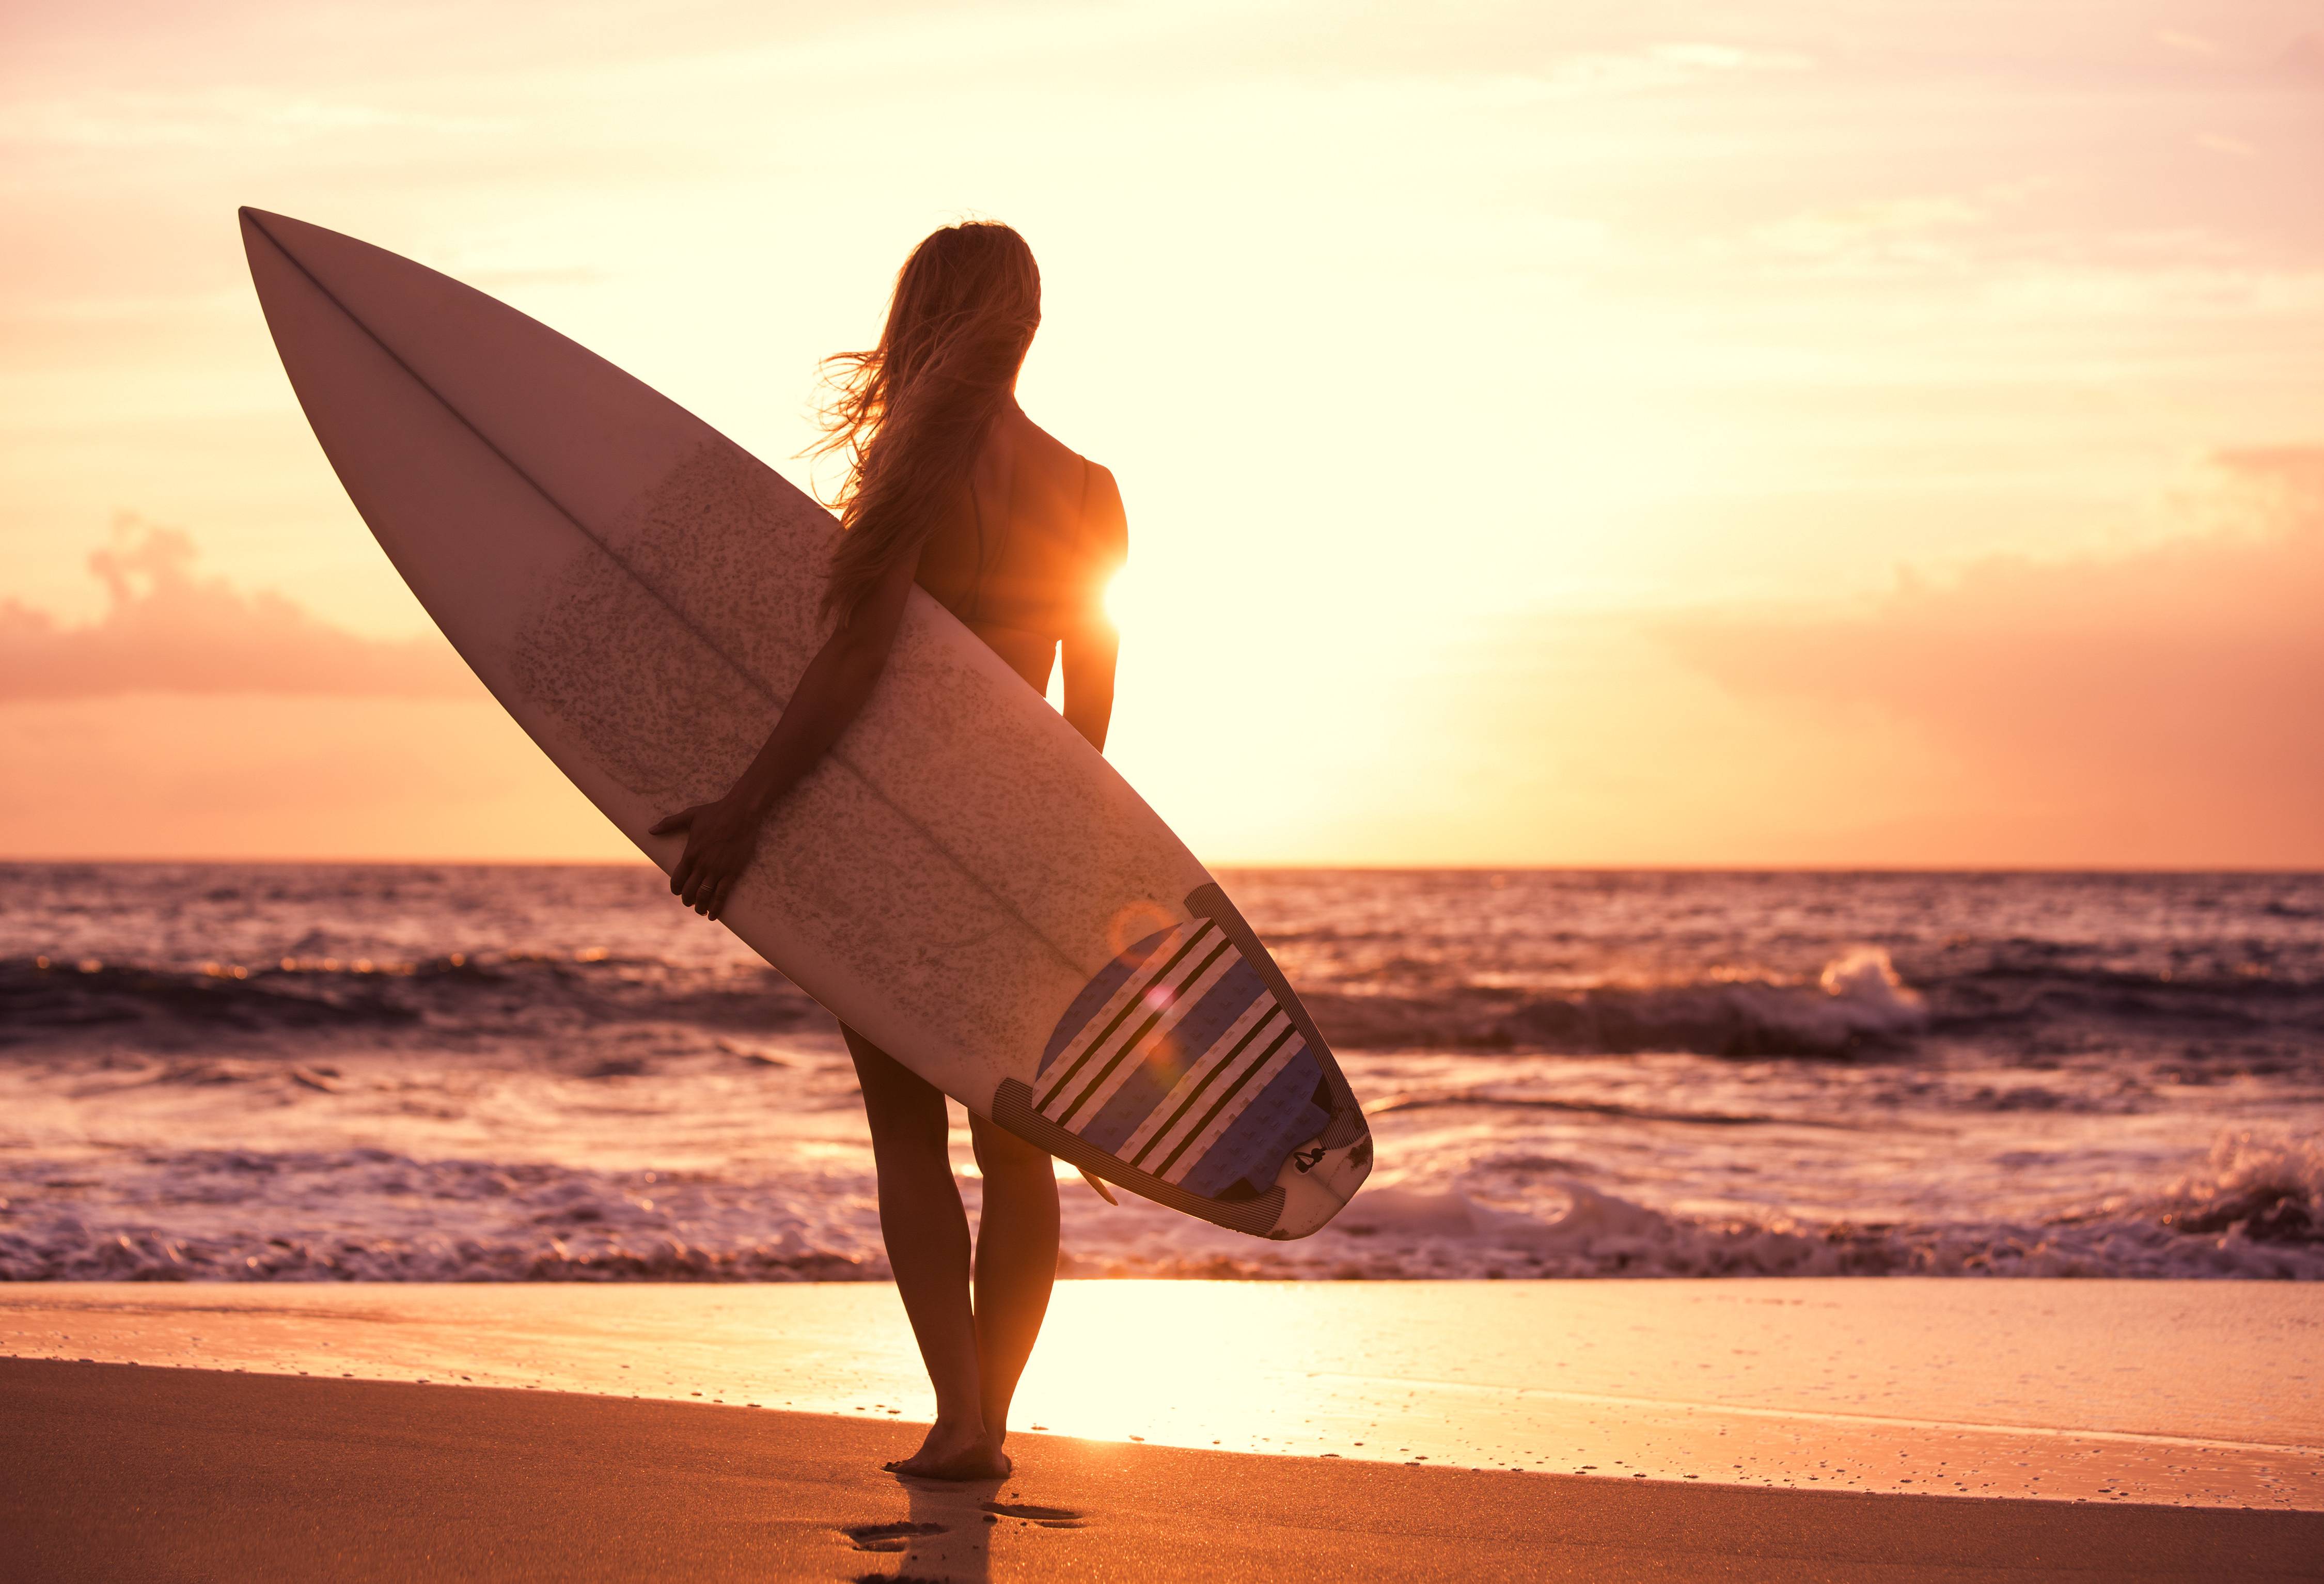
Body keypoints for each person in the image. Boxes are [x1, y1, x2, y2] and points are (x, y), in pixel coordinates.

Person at [649, 221, 1126, 1480]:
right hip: (1025, 841)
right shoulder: (1091, 490)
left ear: (926, 319)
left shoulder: (914, 468)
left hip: (893, 835)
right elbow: (1089, 727)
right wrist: (1067, 873)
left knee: (908, 1132)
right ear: (1023, 322)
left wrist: (747, 805)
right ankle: (997, 1423)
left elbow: (854, 662)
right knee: (1016, 1139)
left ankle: (958, 1417)